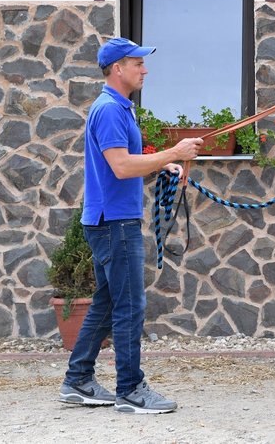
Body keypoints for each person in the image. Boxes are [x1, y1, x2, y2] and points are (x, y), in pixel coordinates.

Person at [59, 37, 203, 414]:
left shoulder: (119, 109)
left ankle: (77, 381)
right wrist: (173, 152)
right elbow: (122, 166)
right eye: (137, 62)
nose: (145, 69)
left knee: (106, 304)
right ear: (117, 68)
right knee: (130, 306)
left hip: (109, 221)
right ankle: (130, 390)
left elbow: (123, 166)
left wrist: (162, 164)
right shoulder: (108, 110)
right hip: (115, 225)